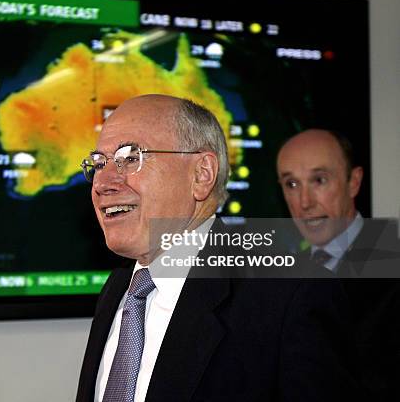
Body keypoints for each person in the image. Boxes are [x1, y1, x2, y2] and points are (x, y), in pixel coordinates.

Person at [76, 95, 355, 402]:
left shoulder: (291, 294)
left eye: (130, 158)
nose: (103, 182)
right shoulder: (117, 291)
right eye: (99, 163)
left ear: (202, 174)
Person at [277, 129, 400, 401]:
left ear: (354, 182)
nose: (305, 203)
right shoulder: (281, 279)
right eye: (292, 184)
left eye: (319, 180)